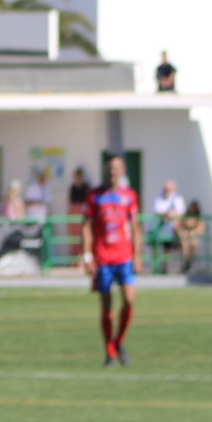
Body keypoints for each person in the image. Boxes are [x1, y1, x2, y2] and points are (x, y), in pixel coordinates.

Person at [81, 155, 141, 366]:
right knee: (106, 307)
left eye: (116, 169)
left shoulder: (129, 196)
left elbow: (135, 228)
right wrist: (87, 256)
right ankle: (110, 352)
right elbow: (87, 227)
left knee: (130, 300)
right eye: (110, 168)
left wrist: (138, 255)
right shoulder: (94, 196)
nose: (113, 172)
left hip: (123, 256)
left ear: (123, 171)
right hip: (103, 258)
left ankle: (118, 341)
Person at [151, 180, 185, 269]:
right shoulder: (159, 197)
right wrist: (166, 214)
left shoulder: (177, 198)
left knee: (184, 242)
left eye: (169, 189)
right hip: (160, 228)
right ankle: (158, 267)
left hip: (174, 228)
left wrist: (173, 214)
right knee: (156, 245)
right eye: (165, 189)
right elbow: (157, 211)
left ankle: (184, 264)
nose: (166, 191)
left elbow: (180, 212)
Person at [175, 199, 204, 275]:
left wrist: (195, 232)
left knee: (193, 245)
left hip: (193, 235)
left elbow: (201, 228)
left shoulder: (198, 217)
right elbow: (179, 226)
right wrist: (182, 233)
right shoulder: (185, 215)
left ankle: (191, 263)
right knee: (184, 246)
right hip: (185, 235)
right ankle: (185, 264)